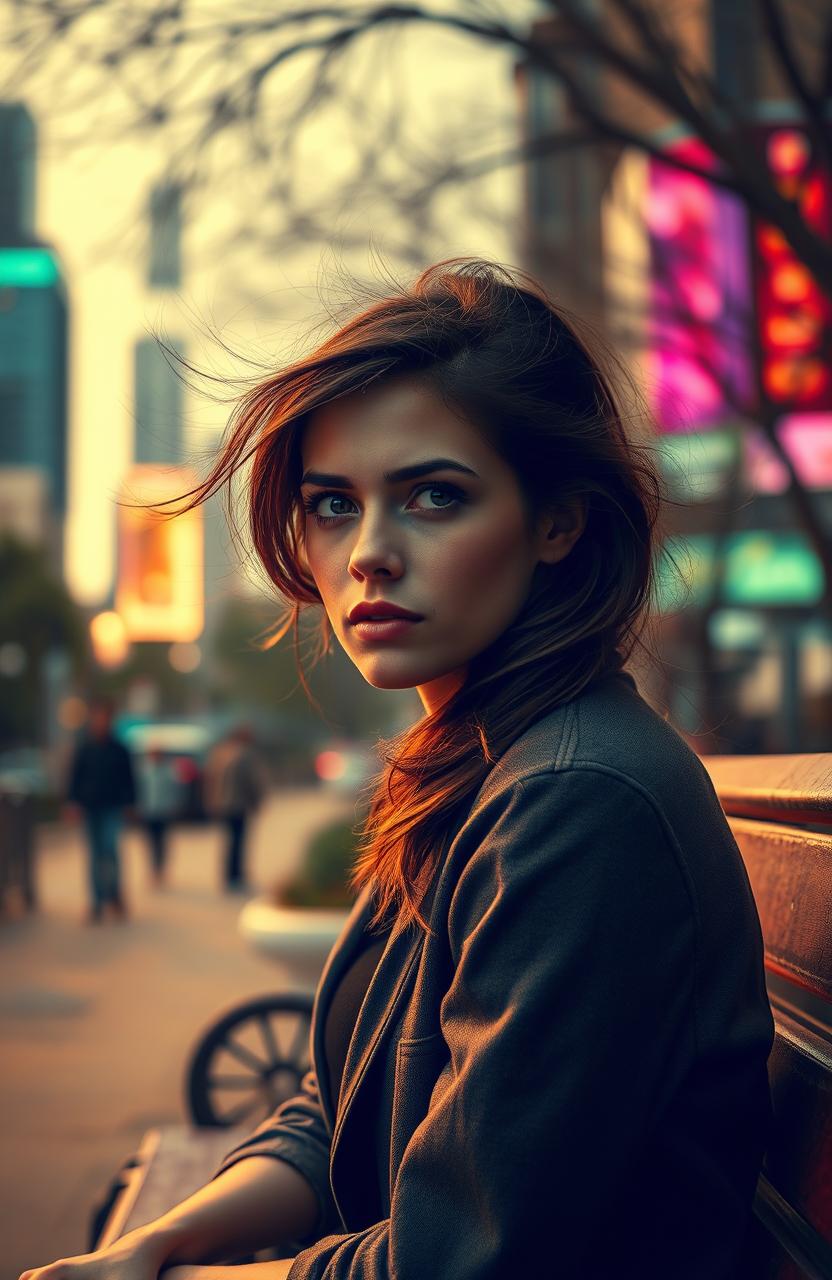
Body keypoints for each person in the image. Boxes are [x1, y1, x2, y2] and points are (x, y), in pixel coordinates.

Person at [21, 259, 774, 1279]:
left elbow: (456, 1261)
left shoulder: (576, 797)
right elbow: (342, 1101)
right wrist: (155, 1246)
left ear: (558, 521)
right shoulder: (471, 768)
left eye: (432, 494)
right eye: (333, 504)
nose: (369, 552)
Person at [64, 695, 136, 924]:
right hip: (90, 807)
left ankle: (113, 894)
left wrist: (130, 804)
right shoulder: (84, 748)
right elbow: (74, 777)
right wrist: (72, 802)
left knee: (110, 850)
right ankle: (96, 901)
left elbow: (129, 779)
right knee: (94, 854)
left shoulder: (119, 749)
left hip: (112, 807)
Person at [202, 725, 268, 891]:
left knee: (229, 841)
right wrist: (257, 801)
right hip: (239, 805)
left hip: (223, 805)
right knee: (238, 842)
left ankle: (228, 876)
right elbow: (252, 781)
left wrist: (211, 801)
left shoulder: (220, 753)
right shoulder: (245, 754)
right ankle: (236, 876)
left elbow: (210, 778)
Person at [135, 746, 181, 886]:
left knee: (162, 842)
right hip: (148, 811)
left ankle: (161, 869)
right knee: (150, 843)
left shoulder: (169, 771)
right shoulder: (144, 770)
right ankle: (152, 870)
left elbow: (176, 790)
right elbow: (139, 790)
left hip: (164, 811)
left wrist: (174, 806)